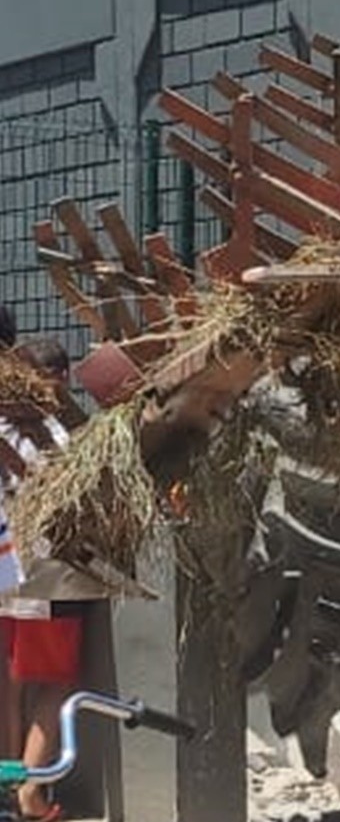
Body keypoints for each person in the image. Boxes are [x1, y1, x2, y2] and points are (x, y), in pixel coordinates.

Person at [0, 338, 85, 821]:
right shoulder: (48, 431)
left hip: (4, 568)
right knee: (56, 682)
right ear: (58, 377)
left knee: (11, 683)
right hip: (44, 572)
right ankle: (30, 796)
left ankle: (6, 783)